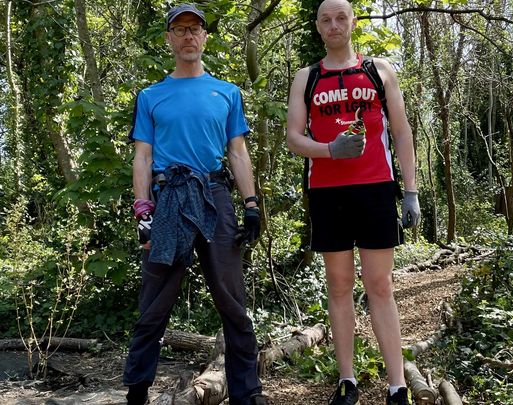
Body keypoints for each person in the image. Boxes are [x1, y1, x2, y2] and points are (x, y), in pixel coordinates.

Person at [122, 4, 266, 405]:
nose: (188, 35)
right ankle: (136, 393)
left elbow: (237, 153)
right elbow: (143, 156)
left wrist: (251, 205)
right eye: (180, 29)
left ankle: (247, 393)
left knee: (233, 301)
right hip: (168, 201)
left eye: (195, 29)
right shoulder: (151, 96)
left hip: (215, 197)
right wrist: (142, 209)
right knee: (154, 304)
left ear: (204, 37)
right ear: (169, 38)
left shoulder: (228, 92)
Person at [286, 1, 421, 404]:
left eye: (340, 17)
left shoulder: (379, 71)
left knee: (380, 286)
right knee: (340, 286)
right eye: (325, 19)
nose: (333, 25)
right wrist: (330, 149)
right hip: (328, 192)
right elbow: (294, 139)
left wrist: (410, 190)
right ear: (317, 26)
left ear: (353, 22)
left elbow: (402, 131)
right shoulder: (305, 77)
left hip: (375, 188)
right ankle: (347, 381)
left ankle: (397, 385)